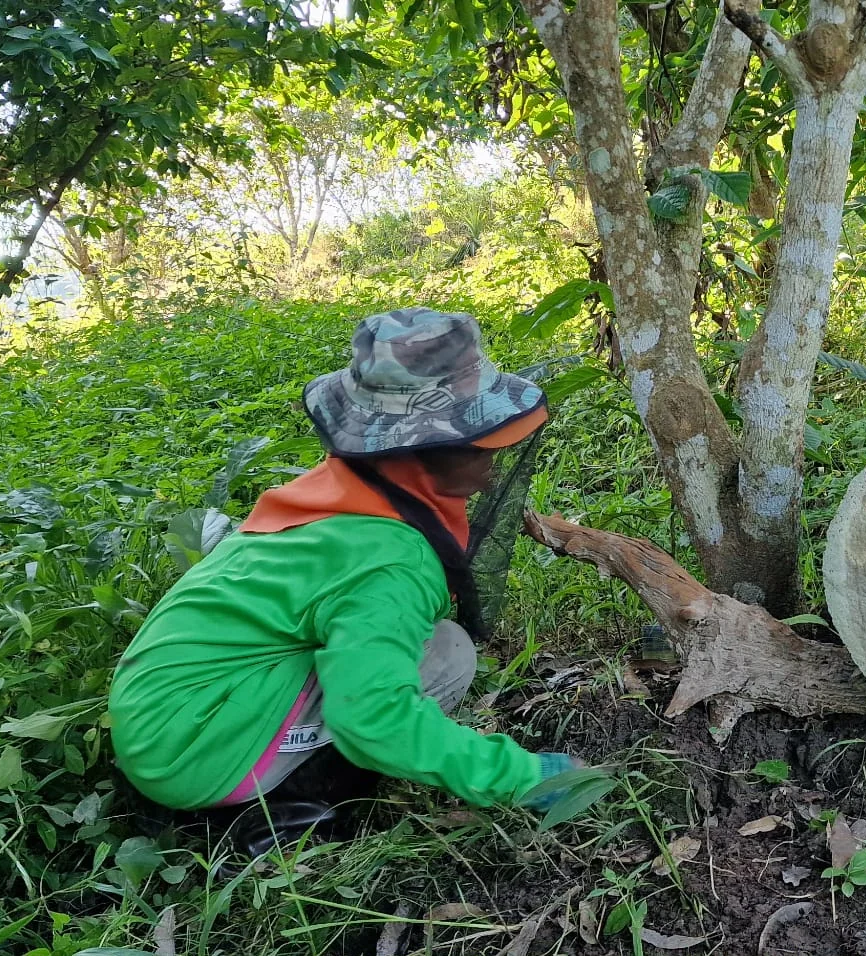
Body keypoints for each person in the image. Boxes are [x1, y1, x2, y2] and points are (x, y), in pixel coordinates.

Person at [109, 307, 584, 856]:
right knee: (445, 658)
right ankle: (262, 815)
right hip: (190, 751)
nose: (494, 458)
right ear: (423, 448)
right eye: (479, 439)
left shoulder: (339, 494)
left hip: (161, 713)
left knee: (438, 643)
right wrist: (530, 777)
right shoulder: (386, 558)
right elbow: (374, 719)